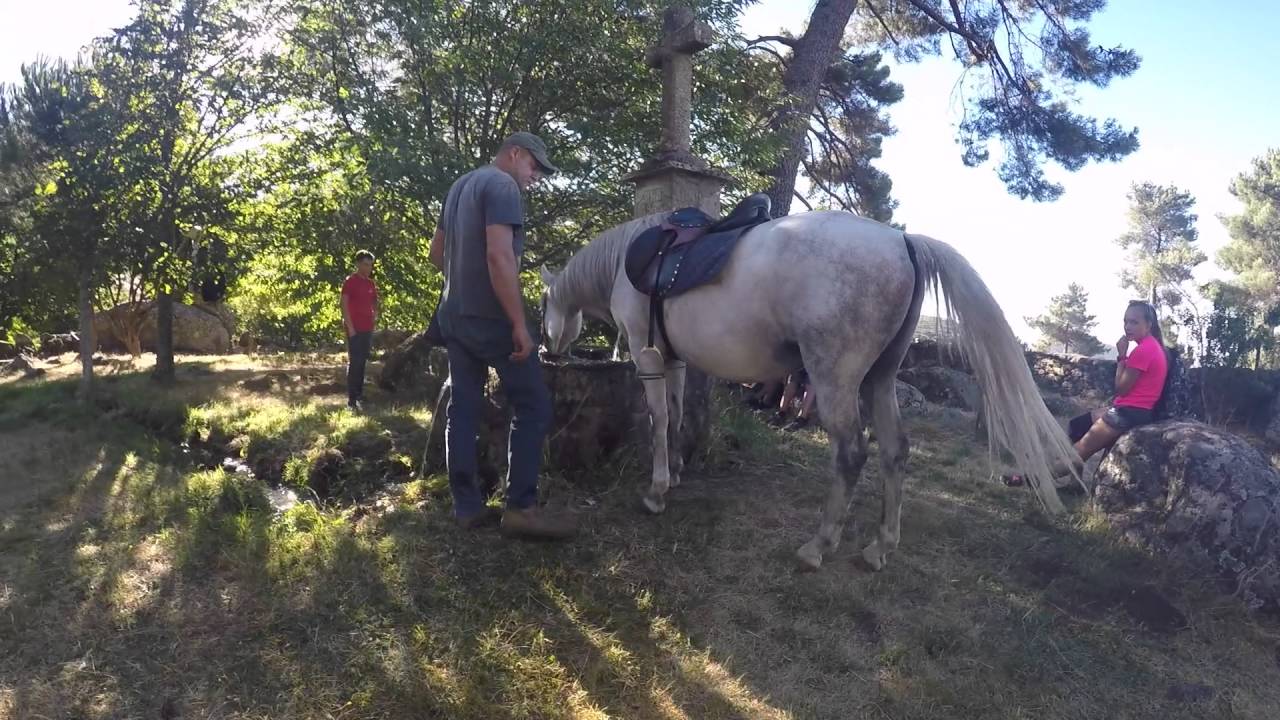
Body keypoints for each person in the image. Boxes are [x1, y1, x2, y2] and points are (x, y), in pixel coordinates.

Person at [428, 132, 576, 539]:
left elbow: (436, 254)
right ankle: (521, 509)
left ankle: (467, 507)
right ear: (514, 154)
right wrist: (516, 323)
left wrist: (463, 284)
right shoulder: (502, 186)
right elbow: (499, 255)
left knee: (463, 407)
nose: (537, 177)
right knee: (533, 405)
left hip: (453, 315)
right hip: (491, 319)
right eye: (534, 166)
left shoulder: (460, 187)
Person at [1005, 300, 1168, 486]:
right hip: (1132, 409)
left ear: (1148, 324)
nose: (1128, 327)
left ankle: (1029, 479)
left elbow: (1121, 388)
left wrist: (1122, 356)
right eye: (1126, 321)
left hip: (1128, 413)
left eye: (1134, 322)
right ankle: (1075, 484)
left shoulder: (1143, 350)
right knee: (1077, 426)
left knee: (1077, 453)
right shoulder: (1152, 345)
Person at [340, 250, 378, 412]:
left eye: (370, 265)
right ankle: (351, 399)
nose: (368, 268)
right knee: (354, 362)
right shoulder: (350, 282)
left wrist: (374, 317)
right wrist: (350, 327)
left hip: (367, 328)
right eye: (365, 264)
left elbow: (375, 303)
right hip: (354, 328)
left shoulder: (370, 284)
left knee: (362, 362)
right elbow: (343, 305)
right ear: (358, 264)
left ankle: (360, 394)